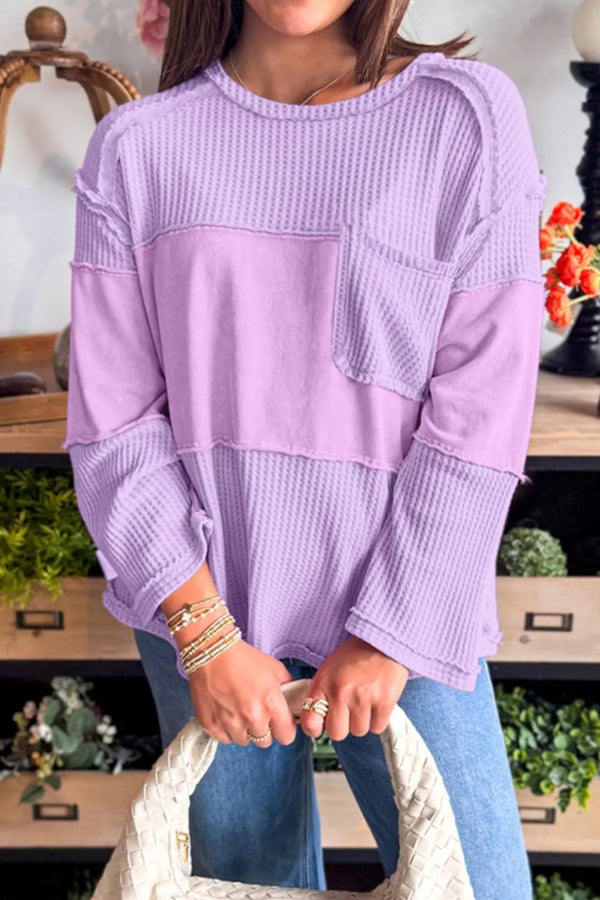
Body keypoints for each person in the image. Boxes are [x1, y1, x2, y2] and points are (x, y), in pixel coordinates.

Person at [62, 2, 548, 897]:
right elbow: (113, 424)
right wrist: (206, 636)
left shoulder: (463, 118)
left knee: (482, 886)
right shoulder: (138, 149)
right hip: (206, 619)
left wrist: (389, 634)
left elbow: (483, 406)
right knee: (242, 884)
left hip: (402, 617)